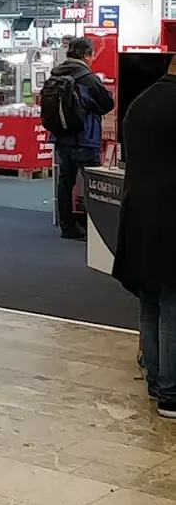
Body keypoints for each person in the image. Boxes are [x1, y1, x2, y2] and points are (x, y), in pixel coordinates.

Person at [113, 56, 176, 419]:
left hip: (138, 214)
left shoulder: (139, 104)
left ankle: (155, 380)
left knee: (150, 299)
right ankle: (171, 392)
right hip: (172, 217)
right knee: (172, 302)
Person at [46, 37, 115, 241]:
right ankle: (95, 230)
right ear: (86, 55)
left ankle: (67, 226)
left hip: (61, 137)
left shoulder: (55, 74)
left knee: (66, 182)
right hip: (85, 138)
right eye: (92, 55)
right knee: (93, 184)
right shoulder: (89, 78)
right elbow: (107, 103)